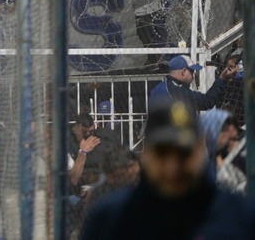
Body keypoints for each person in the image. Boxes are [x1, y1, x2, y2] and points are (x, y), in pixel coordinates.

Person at [81, 100, 255, 240]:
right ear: (145, 153)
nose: (172, 166)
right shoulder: (112, 218)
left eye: (183, 153)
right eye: (163, 153)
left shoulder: (238, 215)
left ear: (200, 149)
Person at [149, 55, 239, 114]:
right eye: (192, 71)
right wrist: (222, 79)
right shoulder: (176, 90)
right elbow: (207, 101)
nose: (193, 76)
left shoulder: (161, 86)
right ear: (184, 71)